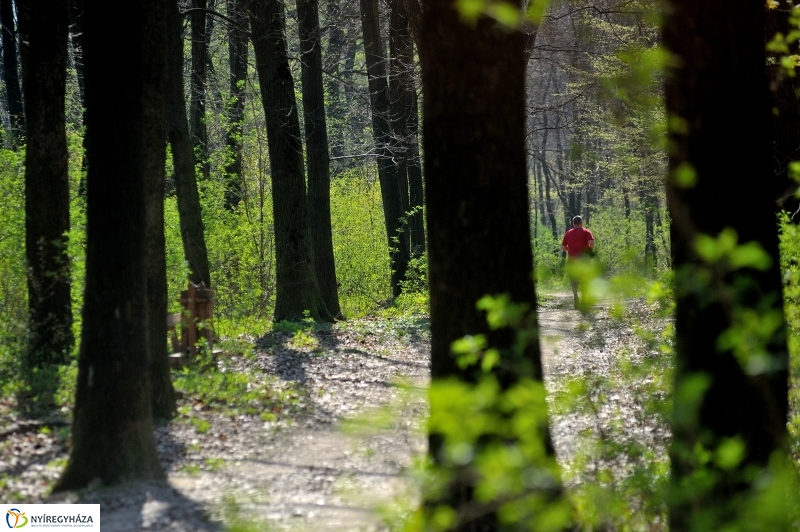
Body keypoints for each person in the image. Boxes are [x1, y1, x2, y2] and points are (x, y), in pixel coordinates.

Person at [561, 215, 595, 309]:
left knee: (574, 280)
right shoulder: (586, 232)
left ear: (573, 223)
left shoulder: (568, 233)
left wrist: (570, 250)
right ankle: (584, 299)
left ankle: (576, 296)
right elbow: (591, 243)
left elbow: (562, 247)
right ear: (581, 223)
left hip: (572, 261)